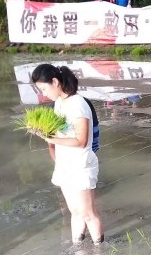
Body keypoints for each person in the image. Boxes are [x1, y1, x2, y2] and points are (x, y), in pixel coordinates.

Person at [30, 64, 104, 245]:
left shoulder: (77, 104)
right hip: (65, 165)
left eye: (44, 88)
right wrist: (45, 133)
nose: (43, 94)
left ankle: (100, 251)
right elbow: (62, 132)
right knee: (75, 211)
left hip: (80, 164)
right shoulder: (59, 103)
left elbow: (80, 140)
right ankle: (77, 247)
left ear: (55, 82)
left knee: (88, 213)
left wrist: (50, 139)